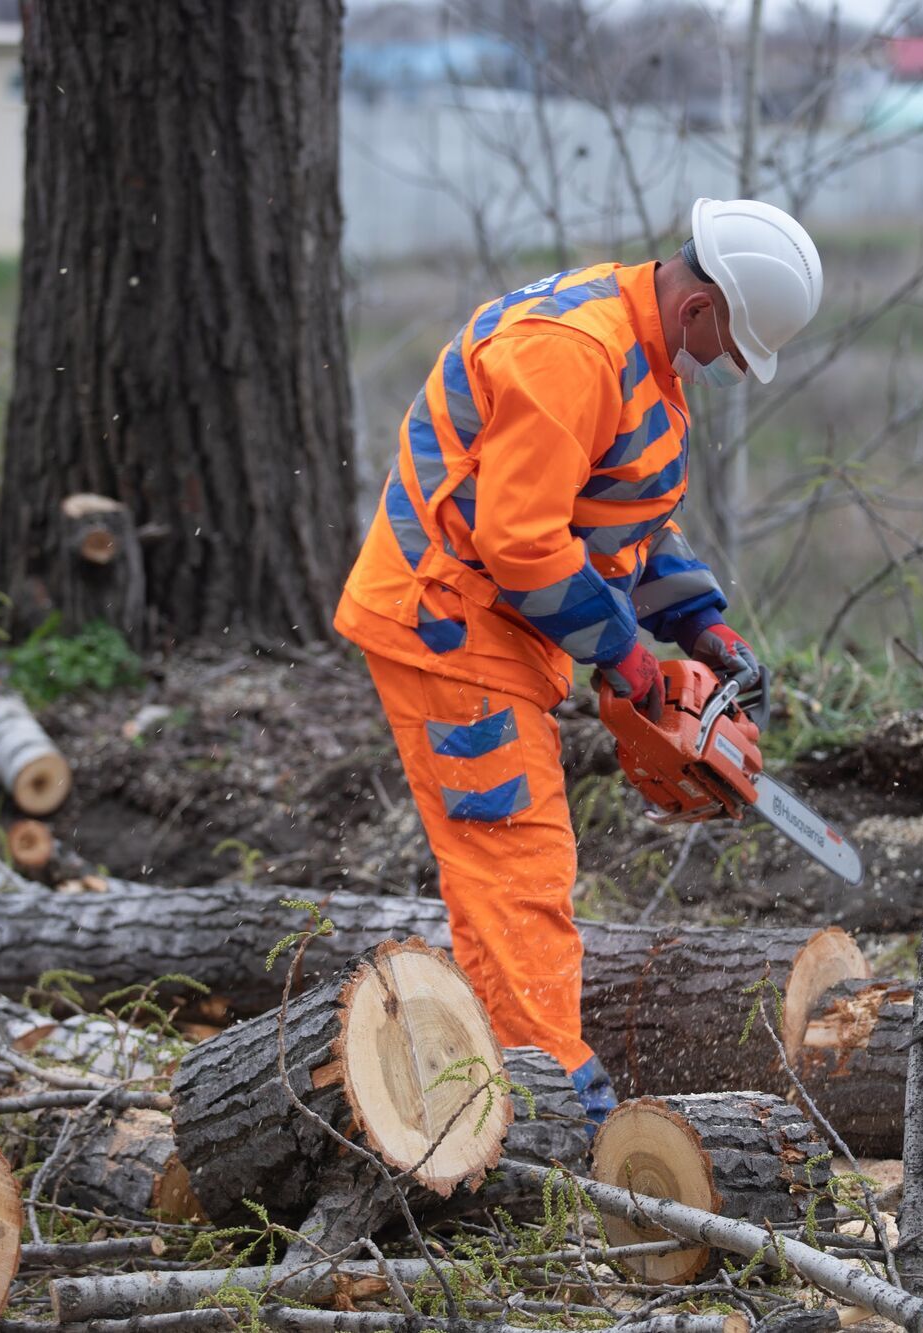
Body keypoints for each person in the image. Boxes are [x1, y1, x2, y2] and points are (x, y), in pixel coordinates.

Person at [334, 197, 824, 1122]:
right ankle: (554, 1097)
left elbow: (620, 516)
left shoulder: (637, 353)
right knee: (516, 862)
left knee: (520, 861)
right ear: (698, 309)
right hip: (449, 620)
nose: (724, 364)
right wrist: (628, 660)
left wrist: (700, 626)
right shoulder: (577, 352)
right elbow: (521, 542)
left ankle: (504, 1092)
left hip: (497, 621)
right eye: (729, 344)